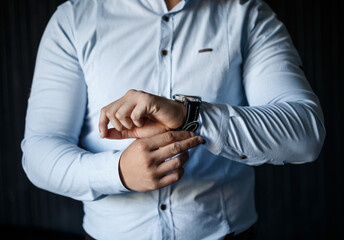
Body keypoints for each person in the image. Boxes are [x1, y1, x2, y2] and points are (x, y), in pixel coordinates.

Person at [21, 0, 326, 239]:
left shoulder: (246, 15)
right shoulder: (75, 19)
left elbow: (305, 132)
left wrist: (190, 115)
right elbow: (38, 152)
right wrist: (117, 173)